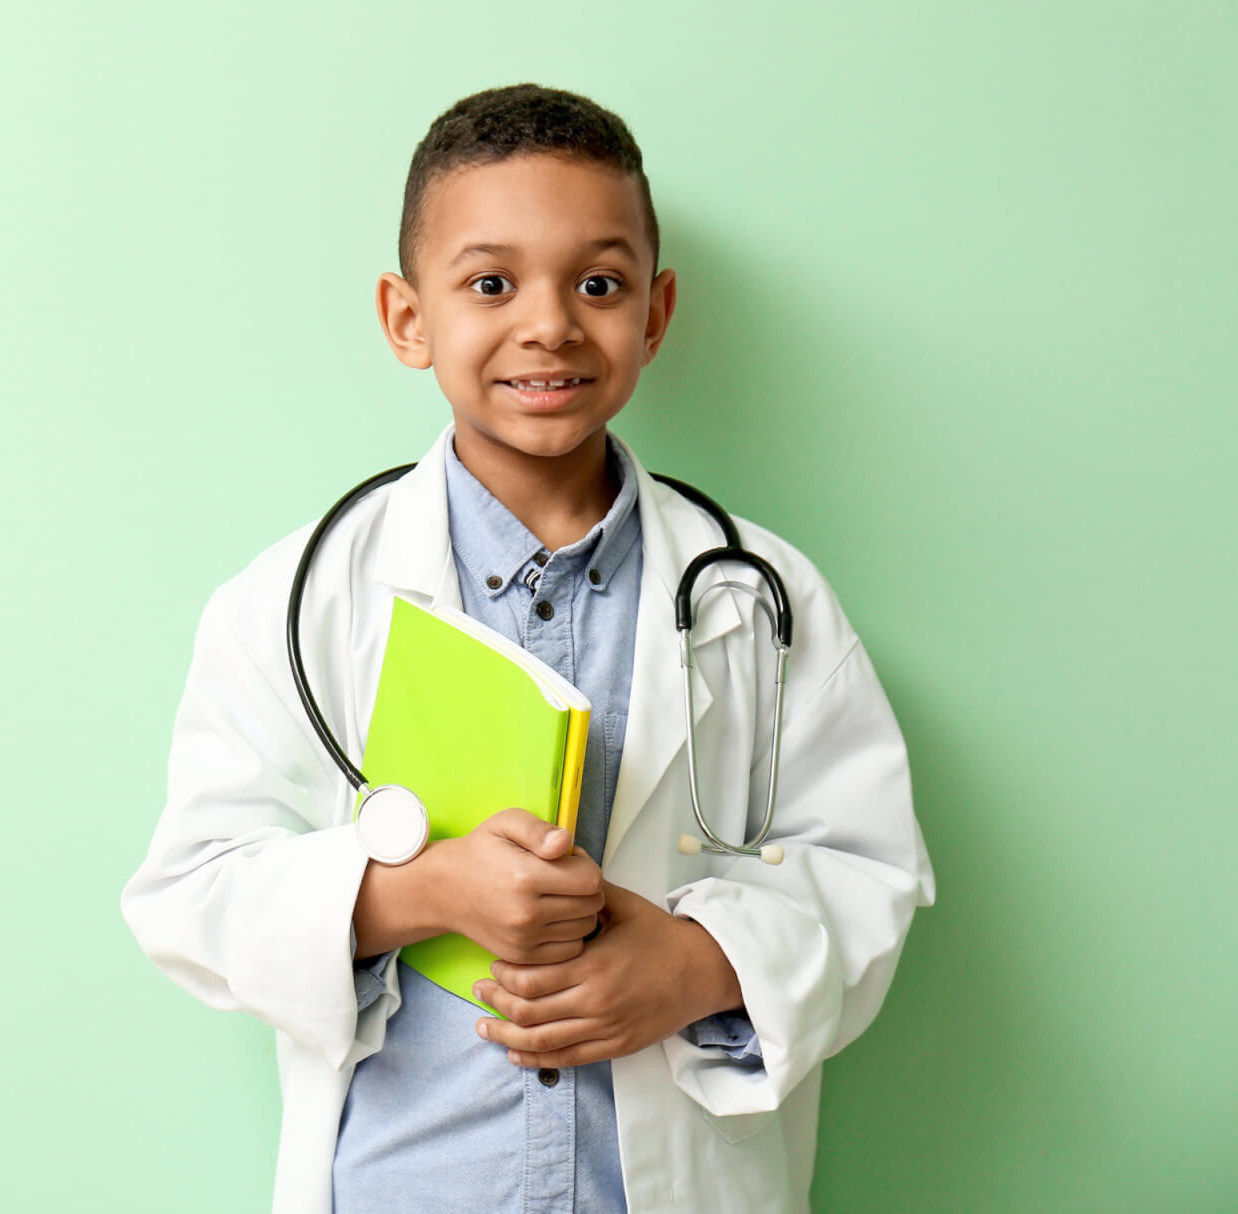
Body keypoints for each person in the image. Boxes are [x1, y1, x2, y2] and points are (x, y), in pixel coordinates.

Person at [119, 84, 935, 1214]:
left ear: (652, 315)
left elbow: (868, 875)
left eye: (595, 284)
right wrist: (415, 892)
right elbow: (191, 895)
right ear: (407, 318)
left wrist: (696, 968)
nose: (547, 324)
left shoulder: (761, 598)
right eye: (489, 283)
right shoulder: (298, 599)